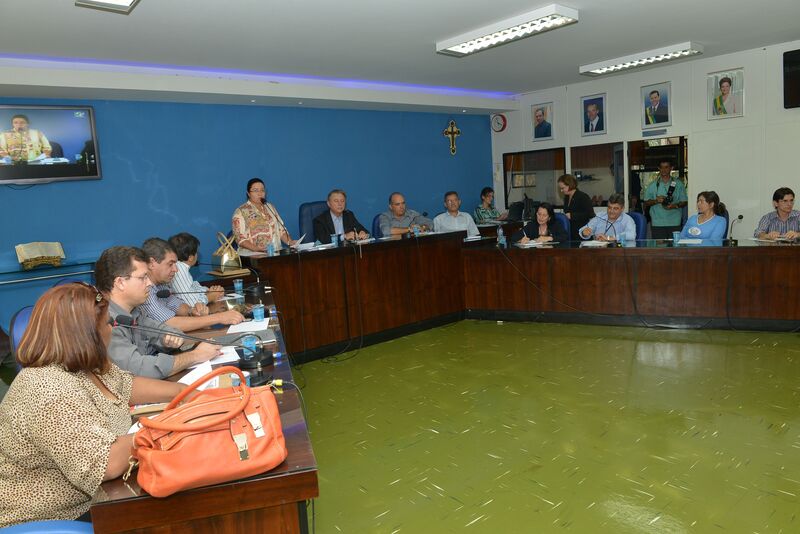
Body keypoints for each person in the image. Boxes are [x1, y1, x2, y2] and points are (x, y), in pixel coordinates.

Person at [0, 283, 190, 526]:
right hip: (54, 519)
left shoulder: (83, 366)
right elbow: (106, 463)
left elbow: (127, 386)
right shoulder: (47, 389)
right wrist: (168, 428)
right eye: (108, 323)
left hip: (100, 498)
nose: (112, 329)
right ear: (87, 334)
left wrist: (187, 393)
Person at [96, 246, 221, 378]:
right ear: (120, 282)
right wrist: (195, 356)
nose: (149, 283)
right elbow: (139, 369)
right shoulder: (104, 321)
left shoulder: (134, 311)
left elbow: (169, 331)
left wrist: (167, 340)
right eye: (143, 277)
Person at [139, 238, 245, 332]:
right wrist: (219, 317)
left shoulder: (161, 285)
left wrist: (193, 311)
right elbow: (170, 324)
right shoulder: (143, 289)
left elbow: (179, 306)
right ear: (152, 263)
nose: (176, 269)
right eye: (170, 264)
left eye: (175, 264)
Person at [232, 178, 297, 253]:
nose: (260, 193)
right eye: (256, 190)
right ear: (248, 193)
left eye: (262, 190)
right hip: (253, 255)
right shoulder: (240, 212)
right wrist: (256, 249)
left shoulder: (270, 207)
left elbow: (280, 230)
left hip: (275, 253)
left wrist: (290, 242)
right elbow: (239, 238)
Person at [168, 232, 224, 307]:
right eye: (197, 252)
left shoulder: (181, 267)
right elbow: (192, 304)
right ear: (191, 257)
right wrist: (210, 297)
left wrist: (210, 291)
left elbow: (193, 287)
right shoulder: (179, 270)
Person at [642, 159, 688, 239]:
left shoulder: (678, 184)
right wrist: (656, 201)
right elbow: (646, 202)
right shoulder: (652, 185)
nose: (664, 170)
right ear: (659, 168)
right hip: (657, 223)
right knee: (660, 246)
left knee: (674, 245)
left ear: (671, 168)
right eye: (661, 167)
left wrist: (674, 206)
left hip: (674, 222)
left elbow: (684, 201)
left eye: (666, 167)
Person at [557, 174, 593, 241]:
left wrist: (572, 216)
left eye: (562, 188)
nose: (561, 190)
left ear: (569, 185)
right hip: (571, 232)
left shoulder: (583, 197)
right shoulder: (566, 198)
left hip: (582, 233)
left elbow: (590, 214)